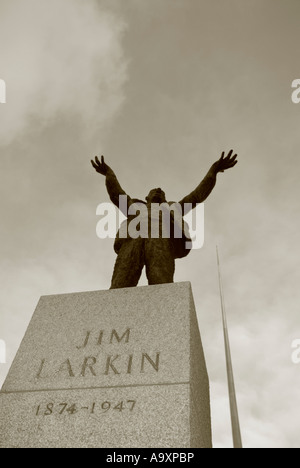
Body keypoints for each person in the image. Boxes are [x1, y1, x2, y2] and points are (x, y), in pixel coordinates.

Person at [91, 150, 238, 289]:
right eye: (155, 191)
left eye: (162, 192)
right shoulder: (134, 207)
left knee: (162, 285)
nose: (159, 191)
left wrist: (213, 171)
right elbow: (117, 194)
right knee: (120, 284)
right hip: (133, 238)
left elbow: (197, 196)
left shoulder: (173, 209)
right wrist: (109, 174)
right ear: (147, 198)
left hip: (161, 241)